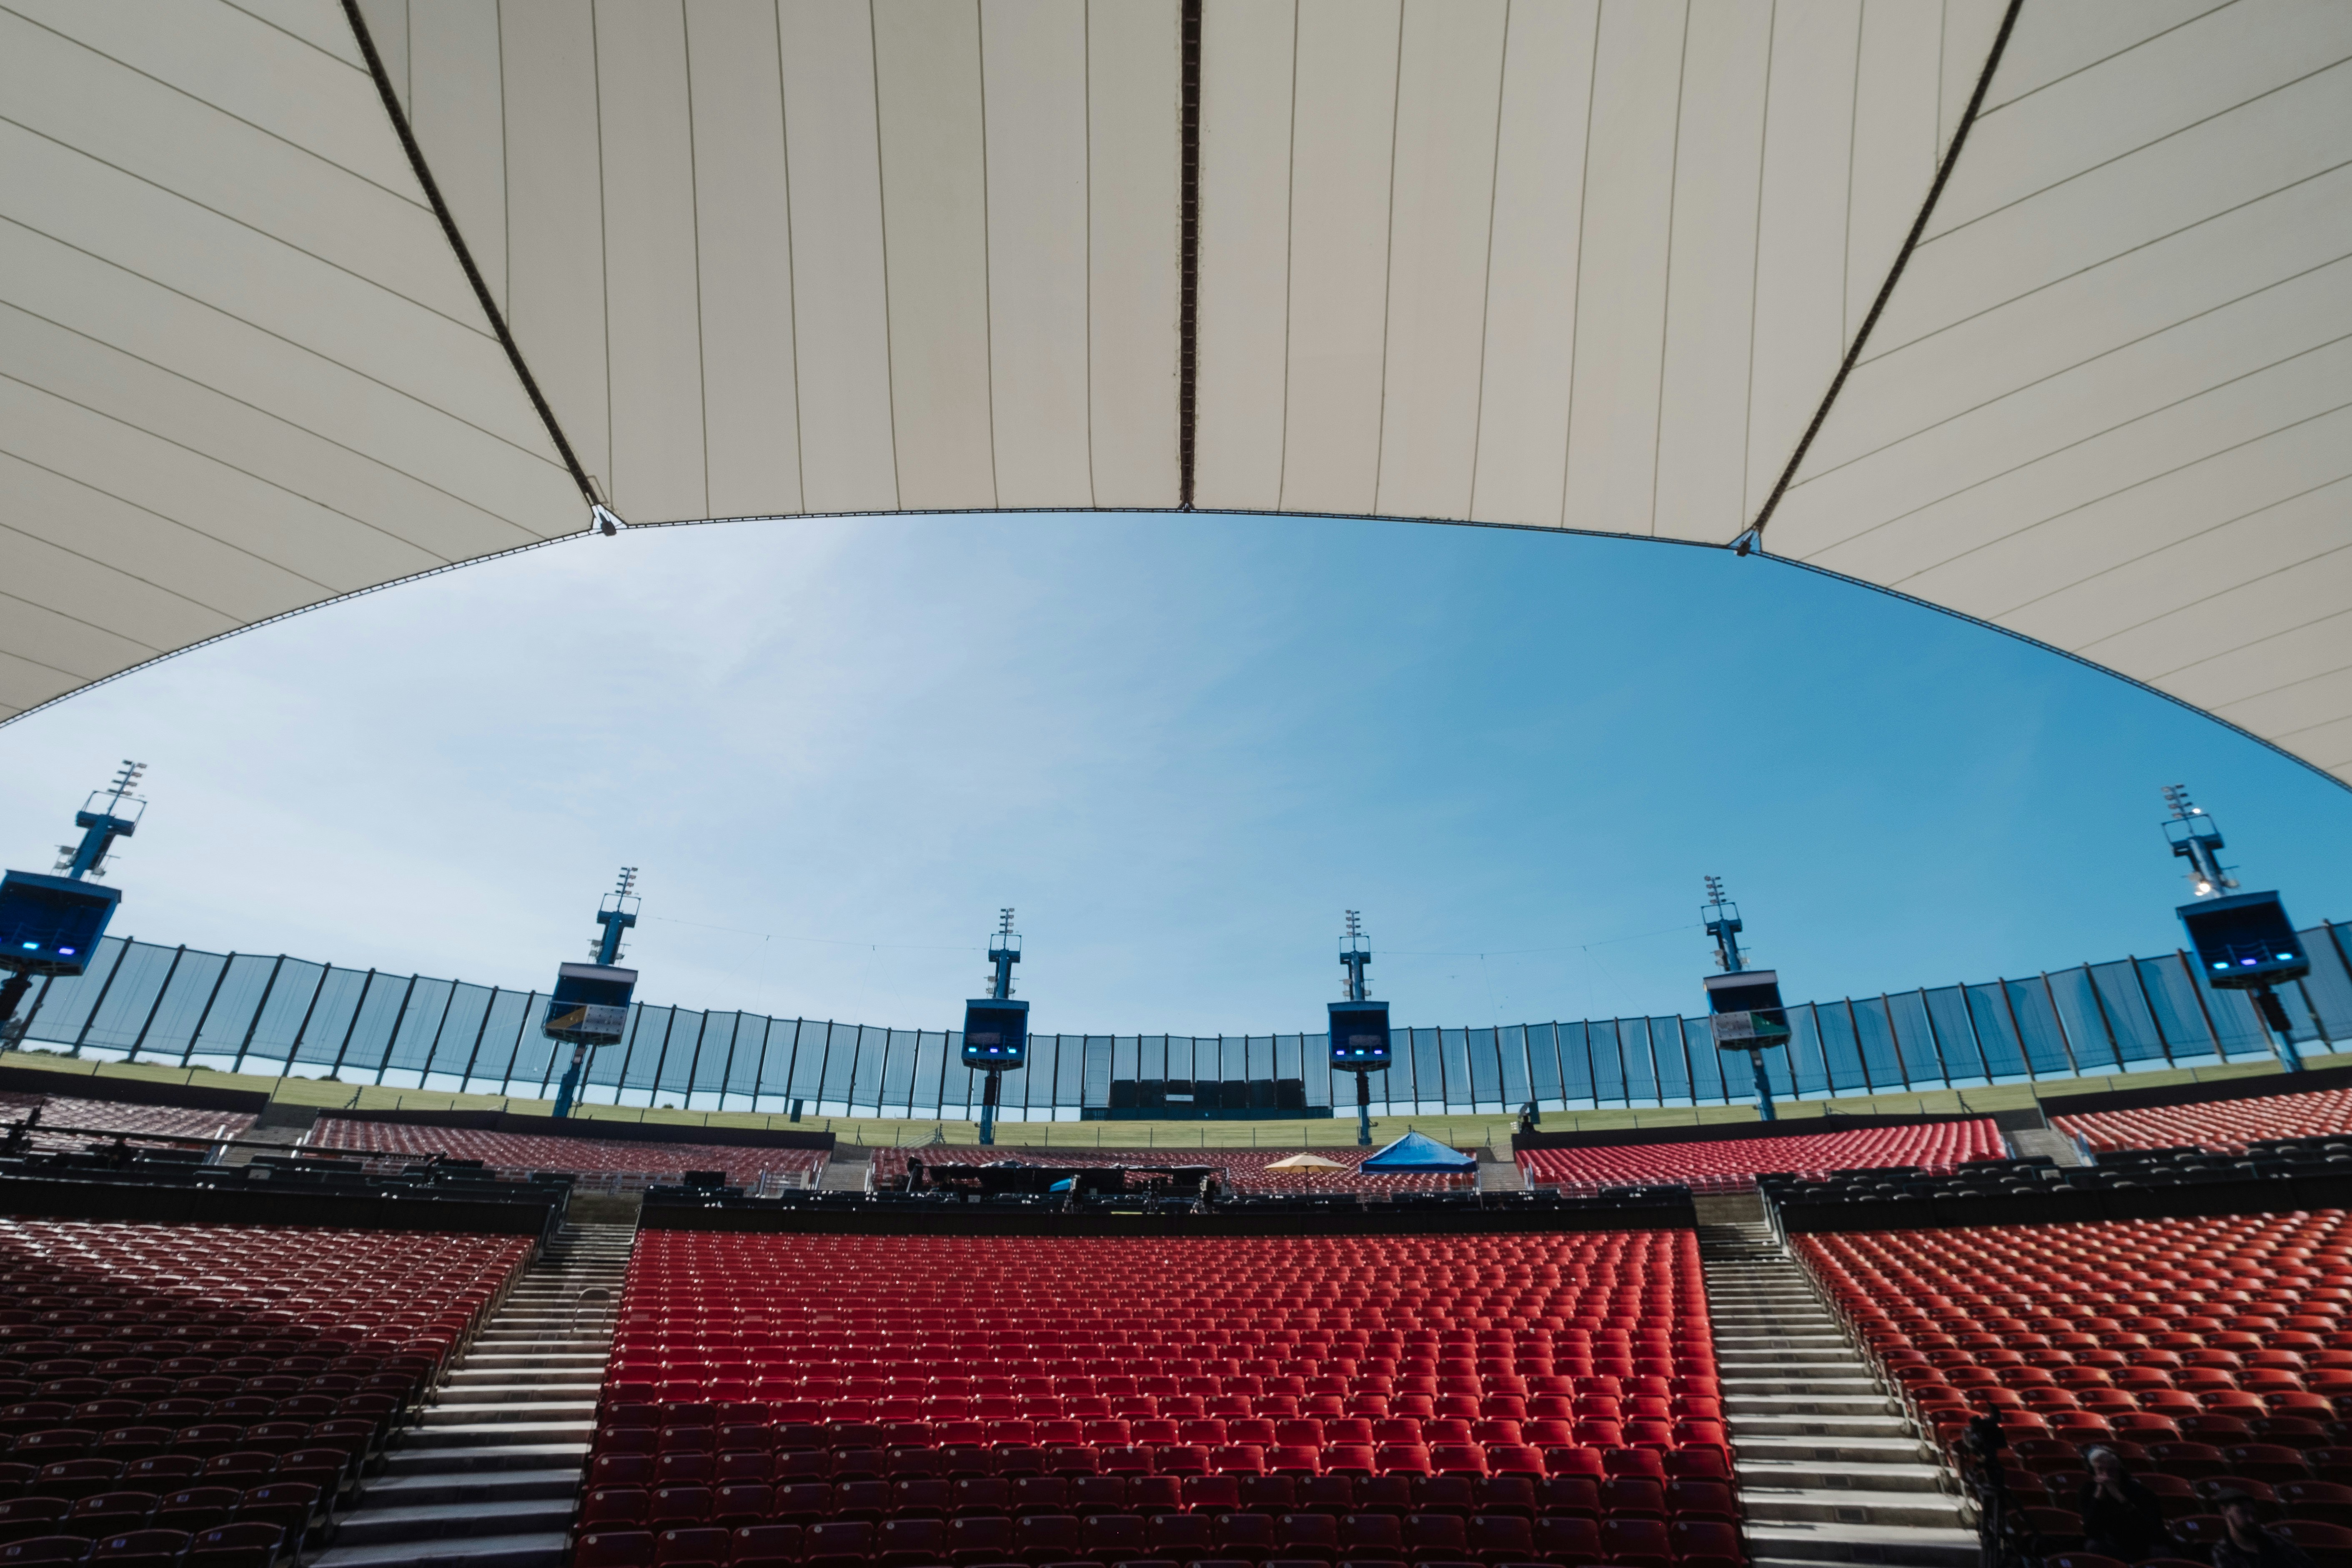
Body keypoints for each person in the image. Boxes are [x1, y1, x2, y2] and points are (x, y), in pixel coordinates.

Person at [2076, 1445, 2165, 1563]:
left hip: (2143, 1545)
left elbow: (2150, 1530)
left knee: (2159, 1551)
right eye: (2100, 1470)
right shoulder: (2089, 1490)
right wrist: (2098, 1497)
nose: (2106, 1476)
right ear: (2093, 1471)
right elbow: (2091, 1530)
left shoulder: (2140, 1491)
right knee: (2093, 1545)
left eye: (2111, 1470)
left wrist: (2119, 1497)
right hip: (2114, 1545)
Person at [2208, 1488, 2315, 1568]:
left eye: (2253, 1514)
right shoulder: (2223, 1552)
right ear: (2225, 1511)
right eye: (2243, 1513)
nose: (2251, 1520)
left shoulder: (2276, 1542)